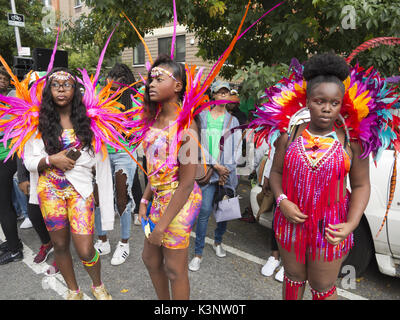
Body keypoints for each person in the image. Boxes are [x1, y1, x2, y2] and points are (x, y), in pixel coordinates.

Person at [268, 53, 370, 300]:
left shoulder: (352, 143)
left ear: (342, 104)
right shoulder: (289, 136)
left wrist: (351, 224)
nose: (326, 108)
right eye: (319, 101)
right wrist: (282, 201)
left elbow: (361, 185)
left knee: (323, 288)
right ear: (307, 101)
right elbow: (275, 173)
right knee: (293, 279)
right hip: (290, 223)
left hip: (331, 228)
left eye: (334, 103)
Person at [24, 67, 114, 300]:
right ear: (49, 90)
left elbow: (99, 160)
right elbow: (29, 161)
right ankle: (74, 290)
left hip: (80, 191)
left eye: (67, 84)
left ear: (76, 90)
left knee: (85, 249)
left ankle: (97, 285)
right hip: (49, 191)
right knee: (60, 245)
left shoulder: (91, 122)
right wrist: (51, 159)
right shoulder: (36, 122)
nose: (61, 89)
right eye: (56, 84)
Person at [139, 54, 202, 300]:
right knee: (150, 259)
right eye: (150, 79)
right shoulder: (153, 119)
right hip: (158, 196)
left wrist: (162, 226)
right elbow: (154, 170)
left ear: (177, 86)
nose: (151, 84)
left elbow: (187, 183)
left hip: (181, 200)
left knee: (175, 270)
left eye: (159, 78)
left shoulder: (187, 127)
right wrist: (145, 200)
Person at [189, 80, 242, 272]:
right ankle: (198, 253)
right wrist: (216, 165)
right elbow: (198, 144)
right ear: (213, 95)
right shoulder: (202, 117)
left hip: (226, 174)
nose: (223, 96)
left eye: (226, 93)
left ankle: (218, 241)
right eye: (219, 92)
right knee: (203, 213)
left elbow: (236, 148)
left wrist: (225, 170)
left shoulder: (233, 120)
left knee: (224, 213)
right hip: (208, 172)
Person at [94, 63, 137, 266]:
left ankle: (124, 243)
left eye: (117, 86)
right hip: (101, 155)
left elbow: (140, 133)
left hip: (123, 156)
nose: (112, 90)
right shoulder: (100, 102)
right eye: (110, 85)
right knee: (98, 198)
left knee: (122, 200)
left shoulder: (135, 104)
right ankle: (102, 240)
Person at [0, 68, 23, 265]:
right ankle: (12, 242)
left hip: (7, 156)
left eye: (3, 78)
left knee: (3, 204)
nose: (1, 81)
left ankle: (15, 249)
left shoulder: (12, 98)